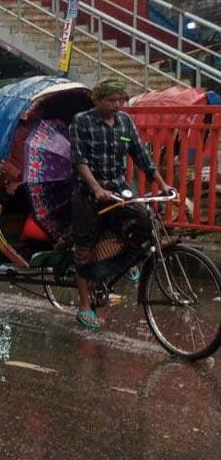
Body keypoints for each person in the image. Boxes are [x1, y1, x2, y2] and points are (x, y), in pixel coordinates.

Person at [68, 79, 172, 330]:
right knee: (83, 249)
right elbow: (79, 160)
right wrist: (96, 188)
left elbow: (141, 156)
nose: (117, 105)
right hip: (89, 194)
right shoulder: (82, 121)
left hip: (118, 191)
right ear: (97, 100)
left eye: (120, 101)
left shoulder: (125, 121)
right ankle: (84, 305)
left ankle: (118, 265)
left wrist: (163, 184)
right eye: (111, 101)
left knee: (144, 223)